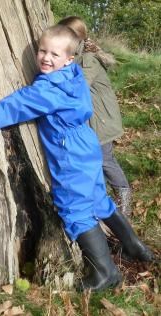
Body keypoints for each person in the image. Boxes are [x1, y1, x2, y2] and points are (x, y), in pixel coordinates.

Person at [0, 25, 153, 291]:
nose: (45, 58)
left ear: (69, 59)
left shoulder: (48, 90)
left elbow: (14, 106)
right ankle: (134, 246)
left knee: (76, 207)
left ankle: (105, 272)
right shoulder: (73, 75)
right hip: (87, 143)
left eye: (54, 54)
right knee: (97, 198)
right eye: (42, 50)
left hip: (70, 152)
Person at [58, 16, 132, 217]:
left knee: (104, 159)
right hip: (93, 119)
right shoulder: (76, 57)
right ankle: (100, 201)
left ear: (76, 39)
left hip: (101, 120)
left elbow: (78, 86)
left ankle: (124, 200)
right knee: (93, 159)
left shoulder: (88, 60)